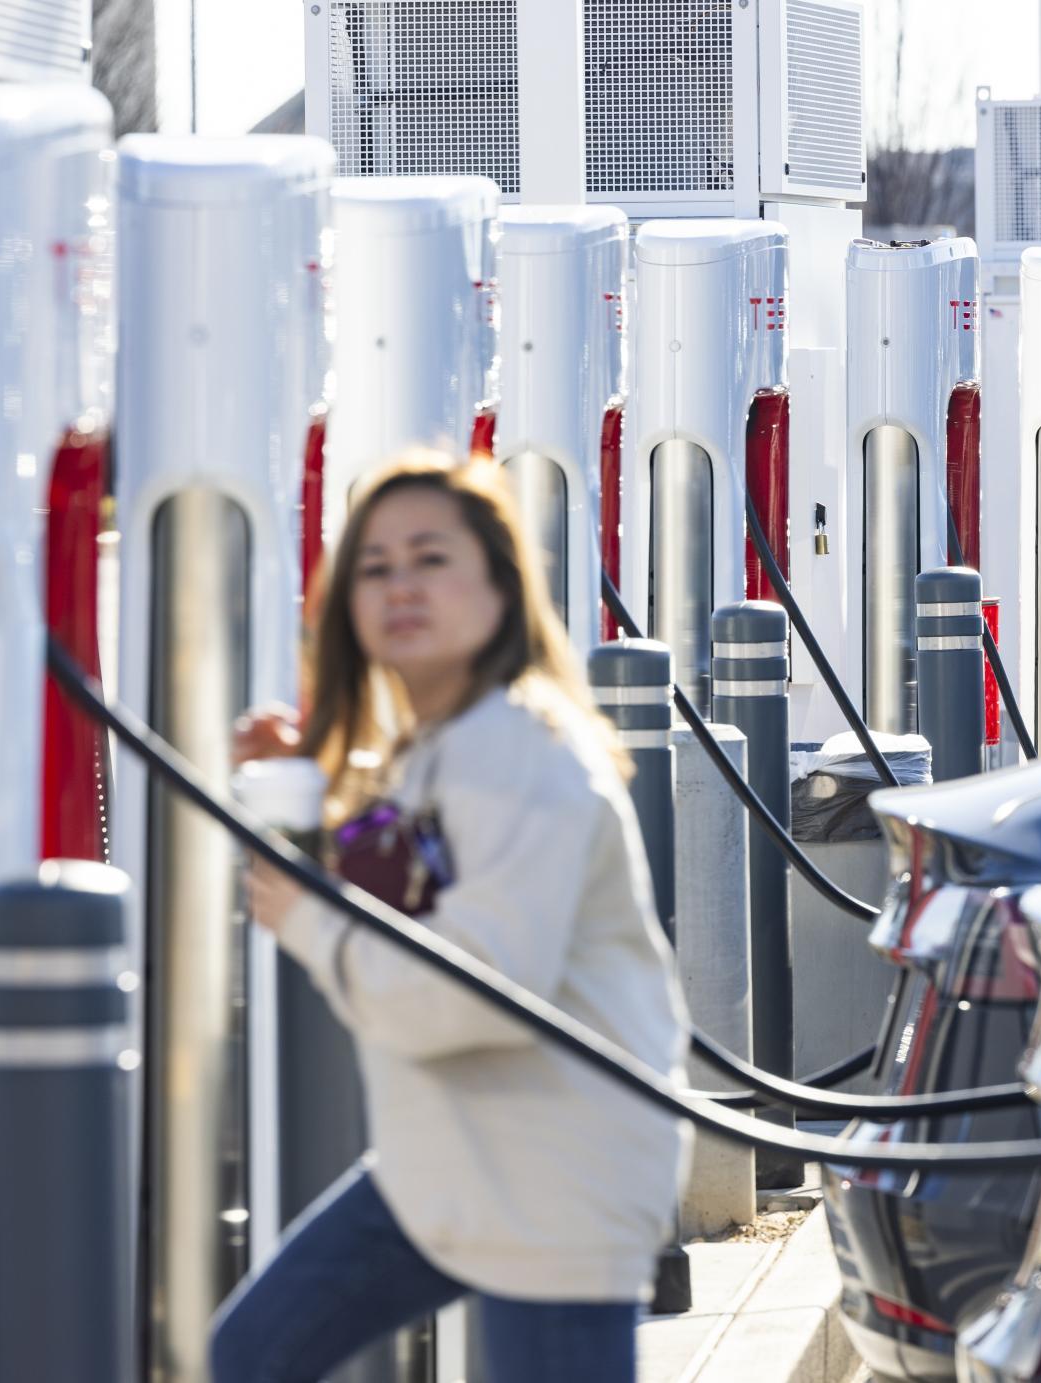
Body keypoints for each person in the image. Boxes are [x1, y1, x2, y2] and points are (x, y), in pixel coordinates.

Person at [211, 451, 689, 1383]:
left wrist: (308, 918)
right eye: (375, 565)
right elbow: (410, 863)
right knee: (250, 1356)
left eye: (431, 558)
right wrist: (314, 777)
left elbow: (470, 992)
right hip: (454, 1167)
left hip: (554, 1179)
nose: (401, 585)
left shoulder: (522, 753)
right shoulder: (446, 746)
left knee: (251, 1358)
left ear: (501, 588)